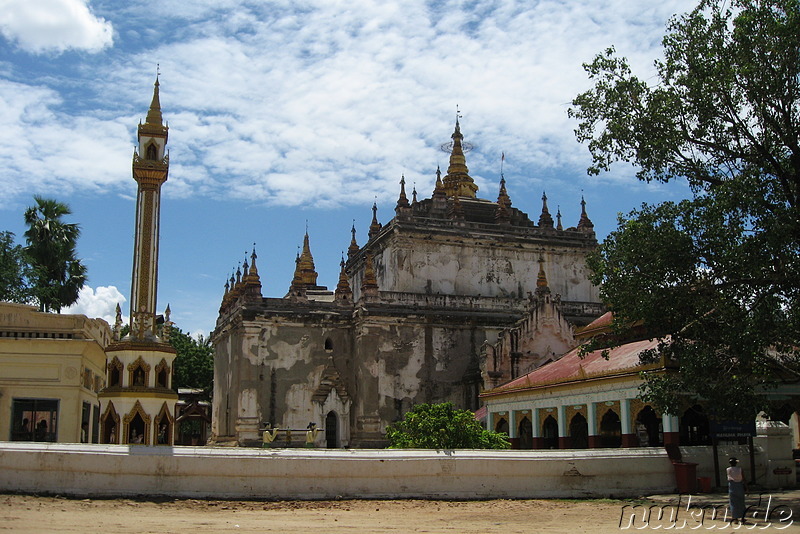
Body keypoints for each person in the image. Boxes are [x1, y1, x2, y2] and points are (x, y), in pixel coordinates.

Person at [727, 457, 747, 524]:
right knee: (741, 502)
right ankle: (742, 517)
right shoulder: (740, 469)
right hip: (739, 486)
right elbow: (743, 478)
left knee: (733, 503)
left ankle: (735, 518)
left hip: (732, 486)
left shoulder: (728, 469)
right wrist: (747, 487)